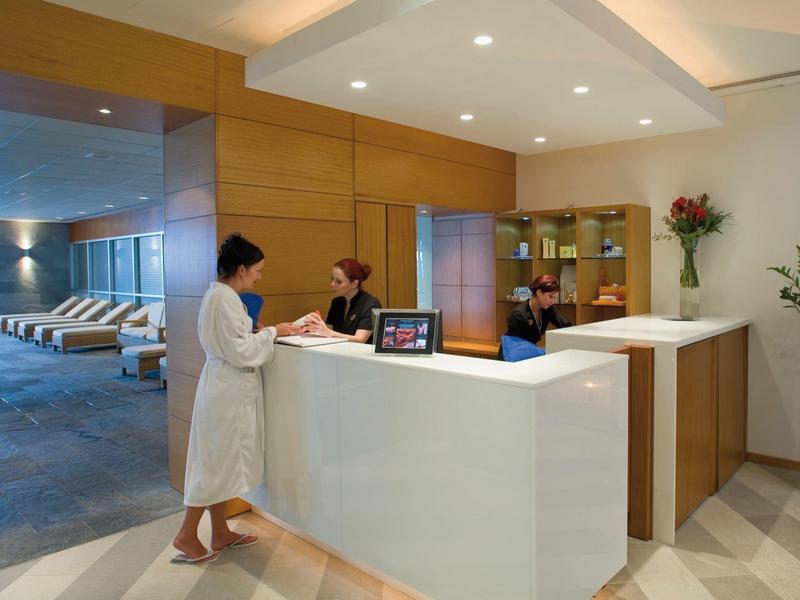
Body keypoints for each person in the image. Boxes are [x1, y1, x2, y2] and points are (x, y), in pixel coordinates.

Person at [172, 233, 297, 563]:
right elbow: (240, 352)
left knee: (220, 460)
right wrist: (274, 332)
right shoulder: (224, 299)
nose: (259, 276)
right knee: (213, 462)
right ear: (241, 269)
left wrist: (258, 333)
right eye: (257, 270)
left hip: (223, 386)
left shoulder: (219, 296)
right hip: (226, 390)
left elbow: (234, 342)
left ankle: (220, 532)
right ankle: (186, 534)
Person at [301, 258, 381, 343]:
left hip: (360, 354)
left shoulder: (371, 304)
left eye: (338, 281)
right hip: (338, 352)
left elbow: (360, 339)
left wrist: (329, 333)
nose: (332, 284)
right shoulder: (337, 302)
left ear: (354, 283)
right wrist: (315, 327)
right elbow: (328, 331)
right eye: (332, 279)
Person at [498, 274, 572, 360]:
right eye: (550, 297)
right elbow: (519, 346)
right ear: (539, 292)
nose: (553, 301)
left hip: (529, 355)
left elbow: (565, 326)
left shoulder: (548, 309)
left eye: (555, 298)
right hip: (511, 357)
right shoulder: (518, 315)